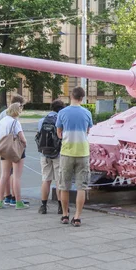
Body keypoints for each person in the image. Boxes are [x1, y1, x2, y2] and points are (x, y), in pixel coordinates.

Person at [56, 87, 93, 227]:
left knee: (64, 186)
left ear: (71, 96)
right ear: (82, 98)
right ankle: (77, 217)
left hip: (67, 152)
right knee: (81, 187)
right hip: (83, 153)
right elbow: (88, 130)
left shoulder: (62, 113)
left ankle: (65, 214)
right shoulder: (87, 113)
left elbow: (59, 132)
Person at [0, 102, 28, 209]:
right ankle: (18, 202)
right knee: (16, 177)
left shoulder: (2, 121)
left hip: (4, 149)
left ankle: (0, 201)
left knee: (4, 175)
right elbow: (22, 138)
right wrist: (25, 144)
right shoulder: (15, 122)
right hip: (15, 150)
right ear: (16, 111)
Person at [37, 100, 65, 214]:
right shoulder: (61, 120)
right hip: (58, 153)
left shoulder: (42, 121)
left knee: (46, 179)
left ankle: (43, 206)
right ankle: (60, 207)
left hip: (44, 153)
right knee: (59, 181)